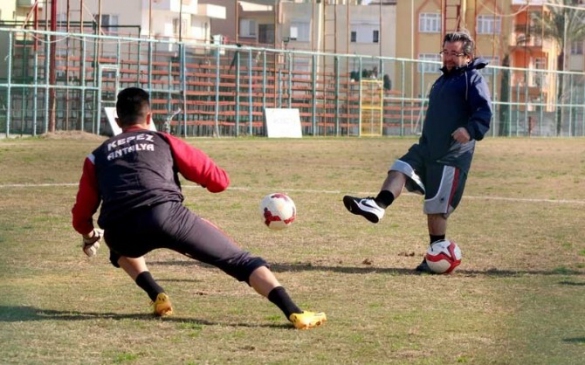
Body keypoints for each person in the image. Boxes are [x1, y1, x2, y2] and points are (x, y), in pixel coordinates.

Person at [71, 87, 326, 329]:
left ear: (117, 120)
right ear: (149, 116)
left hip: (120, 230)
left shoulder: (96, 156)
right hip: (166, 217)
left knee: (119, 251)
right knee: (239, 260)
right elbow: (218, 182)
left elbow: (82, 212)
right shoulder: (163, 140)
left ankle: (157, 295)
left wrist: (87, 233)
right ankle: (295, 312)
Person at [343, 31, 492, 273]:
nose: (448, 58)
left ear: (468, 56)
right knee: (400, 167)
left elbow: (484, 111)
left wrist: (471, 129)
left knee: (436, 208)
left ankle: (436, 255)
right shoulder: (442, 80)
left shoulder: (472, 79)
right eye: (445, 52)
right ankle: (378, 205)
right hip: (426, 148)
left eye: (454, 53)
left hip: (452, 156)